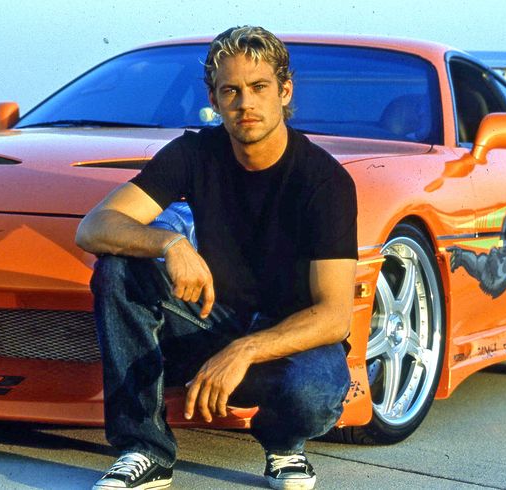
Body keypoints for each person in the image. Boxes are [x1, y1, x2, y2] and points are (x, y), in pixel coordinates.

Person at [76, 26, 358, 490]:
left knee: (316, 391)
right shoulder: (193, 153)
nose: (245, 103)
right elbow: (95, 226)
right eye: (231, 90)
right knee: (120, 267)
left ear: (285, 92)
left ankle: (284, 445)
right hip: (209, 320)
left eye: (259, 88)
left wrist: (243, 351)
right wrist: (170, 245)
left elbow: (334, 317)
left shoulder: (324, 180)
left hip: (286, 346)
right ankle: (143, 449)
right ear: (214, 97)